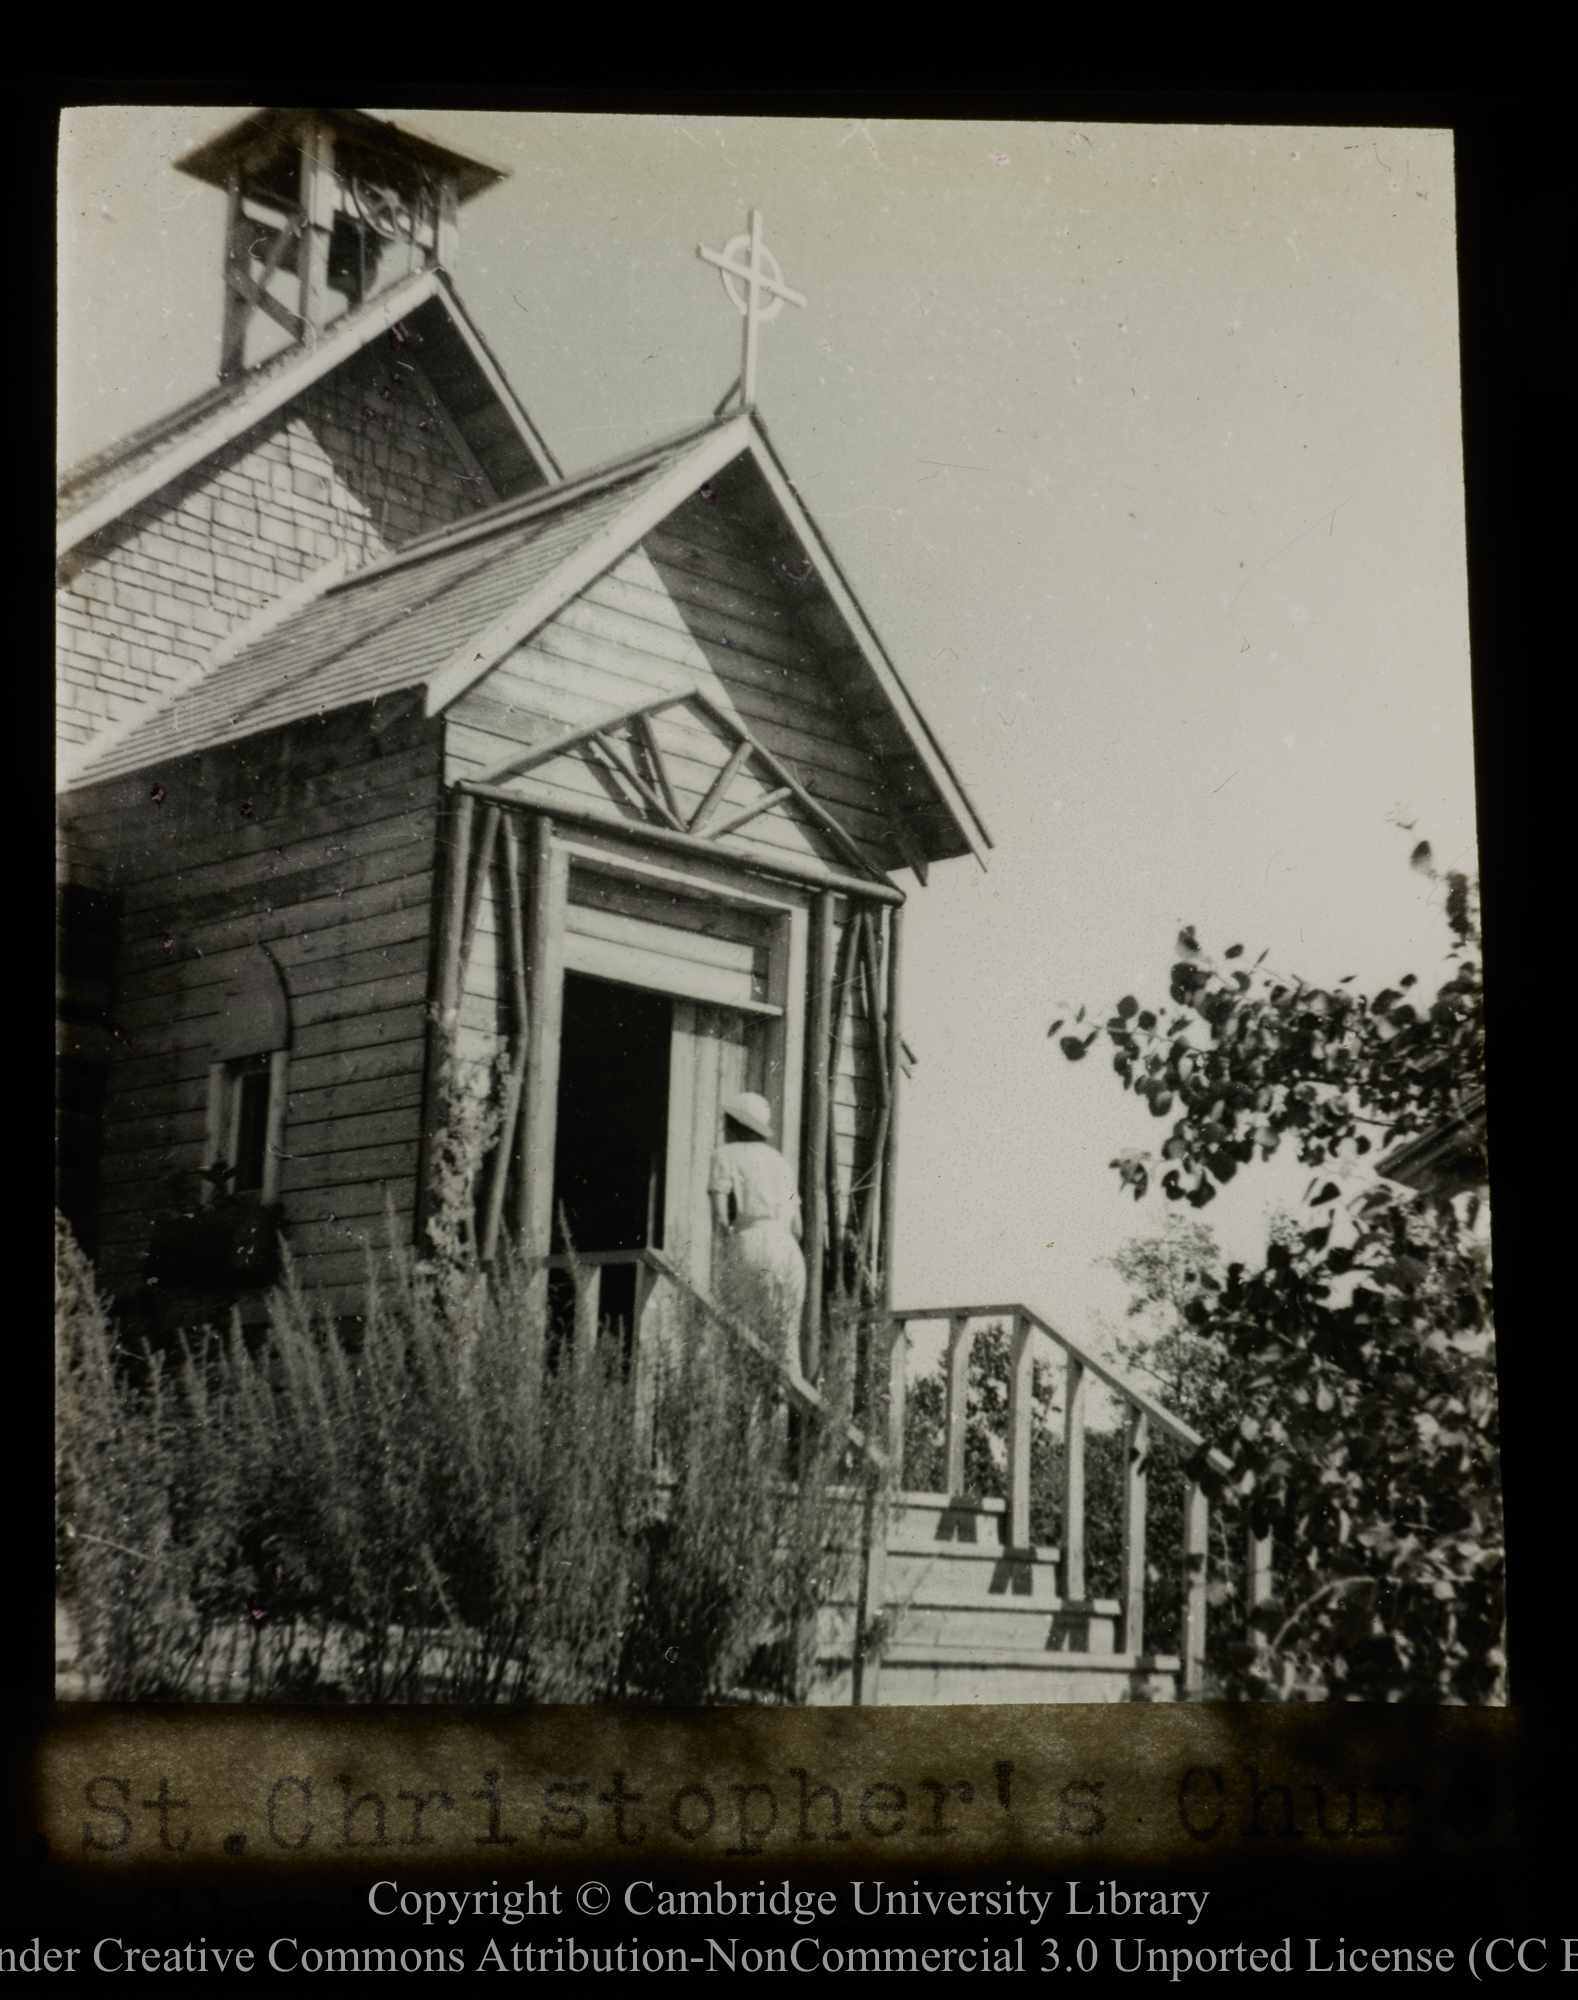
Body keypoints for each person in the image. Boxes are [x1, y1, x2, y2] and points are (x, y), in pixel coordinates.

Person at [708, 1090, 811, 1391]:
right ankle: (784, 1420)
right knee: (786, 1343)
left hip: (750, 1241)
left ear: (735, 1125)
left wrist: (728, 1246)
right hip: (787, 1249)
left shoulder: (724, 1155)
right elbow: (799, 1227)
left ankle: (748, 1422)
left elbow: (719, 1217)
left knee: (743, 1336)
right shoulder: (781, 1162)